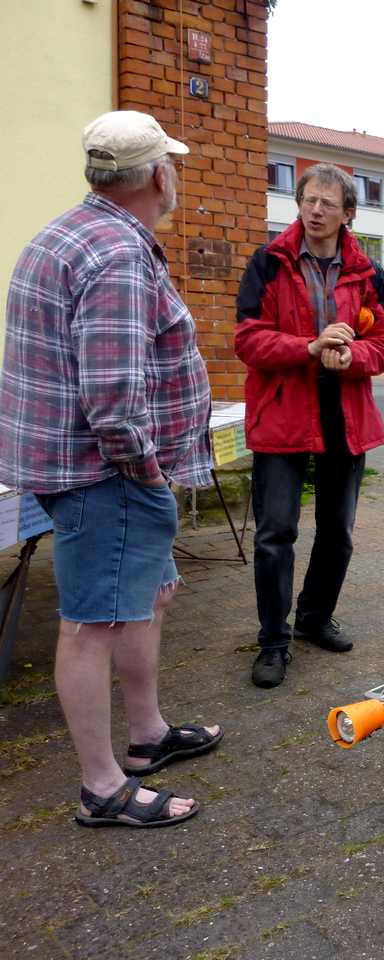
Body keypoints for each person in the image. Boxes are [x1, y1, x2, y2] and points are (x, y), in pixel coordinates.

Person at [0, 110, 221, 827]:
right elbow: (114, 398)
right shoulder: (118, 255)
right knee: (90, 625)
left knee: (148, 598)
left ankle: (147, 736)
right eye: (175, 165)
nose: (177, 176)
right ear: (157, 174)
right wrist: (147, 473)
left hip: (85, 468)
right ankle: (102, 789)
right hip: (107, 474)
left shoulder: (72, 232)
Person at [235, 162, 384, 688]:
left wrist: (351, 358)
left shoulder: (369, 272)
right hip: (282, 414)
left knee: (337, 533)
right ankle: (273, 641)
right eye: (309, 200)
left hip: (344, 416)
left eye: (328, 203)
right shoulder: (269, 261)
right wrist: (308, 347)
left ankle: (311, 617)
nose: (315, 209)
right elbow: (248, 340)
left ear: (348, 213)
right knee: (274, 534)